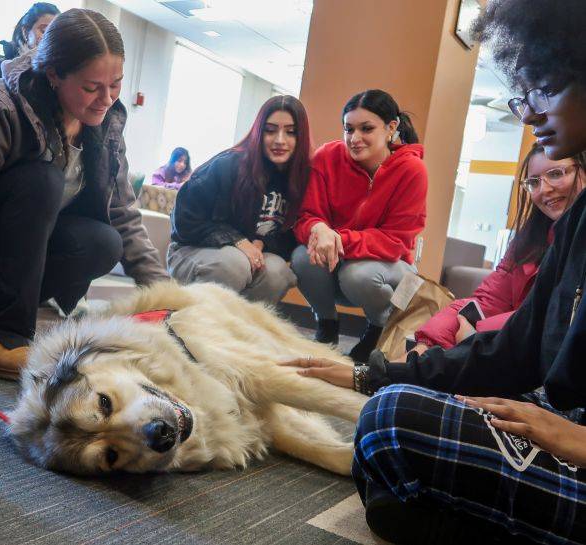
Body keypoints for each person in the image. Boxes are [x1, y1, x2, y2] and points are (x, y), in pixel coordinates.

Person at [286, 1, 586, 543]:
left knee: (394, 430)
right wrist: (371, 375)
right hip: (549, 413)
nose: (529, 115)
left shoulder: (411, 171)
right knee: (384, 415)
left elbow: (398, 241)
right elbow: (513, 344)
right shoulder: (574, 225)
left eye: (545, 89)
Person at [0, 9, 168, 380]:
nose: (107, 99)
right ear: (53, 74)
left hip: (15, 256)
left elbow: (122, 212)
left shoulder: (105, 122)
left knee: (104, 241)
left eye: (115, 84)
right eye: (91, 87)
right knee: (42, 180)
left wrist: (170, 300)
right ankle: (4, 333)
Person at [291, 89, 427, 363]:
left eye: (366, 129)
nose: (355, 138)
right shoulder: (327, 157)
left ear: (391, 128)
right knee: (301, 257)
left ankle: (378, 328)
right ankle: (327, 326)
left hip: (394, 267)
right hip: (340, 261)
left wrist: (336, 238)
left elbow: (395, 241)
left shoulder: (412, 170)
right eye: (348, 129)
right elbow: (306, 215)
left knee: (358, 275)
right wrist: (318, 227)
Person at [414, 144, 586, 352]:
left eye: (556, 174)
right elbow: (487, 301)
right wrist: (426, 343)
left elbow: (550, 318)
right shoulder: (529, 242)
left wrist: (479, 333)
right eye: (534, 182)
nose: (545, 189)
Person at [168, 95, 311, 304]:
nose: (280, 140)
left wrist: (262, 243)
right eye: (270, 130)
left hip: (252, 253)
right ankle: (202, 326)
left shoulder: (303, 178)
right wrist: (238, 241)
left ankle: (239, 328)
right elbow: (184, 221)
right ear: (258, 133)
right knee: (234, 263)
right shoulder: (227, 165)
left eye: (290, 132)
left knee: (278, 271)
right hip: (192, 249)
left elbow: (292, 237)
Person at [0, 3, 60, 85]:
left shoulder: (56, 77)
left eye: (55, 34)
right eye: (44, 31)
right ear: (26, 32)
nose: (49, 38)